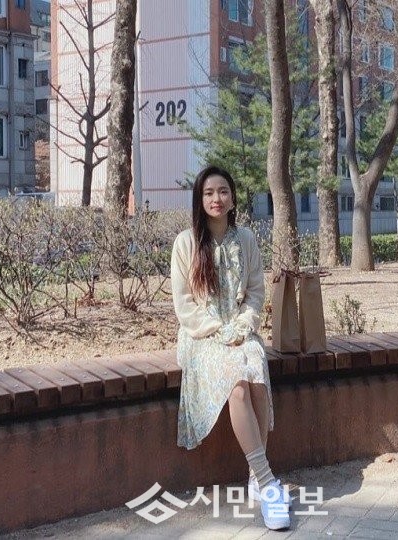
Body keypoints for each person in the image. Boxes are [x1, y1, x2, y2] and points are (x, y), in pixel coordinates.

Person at [170, 165, 290, 530]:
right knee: (237, 386)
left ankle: (256, 478)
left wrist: (243, 326)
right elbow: (184, 306)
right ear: (199, 199)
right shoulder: (186, 243)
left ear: (233, 198)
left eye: (223, 191)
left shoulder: (247, 240)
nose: (216, 199)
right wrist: (218, 330)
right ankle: (268, 484)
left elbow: (255, 292)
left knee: (256, 373)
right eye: (208, 193)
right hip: (201, 337)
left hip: (240, 331)